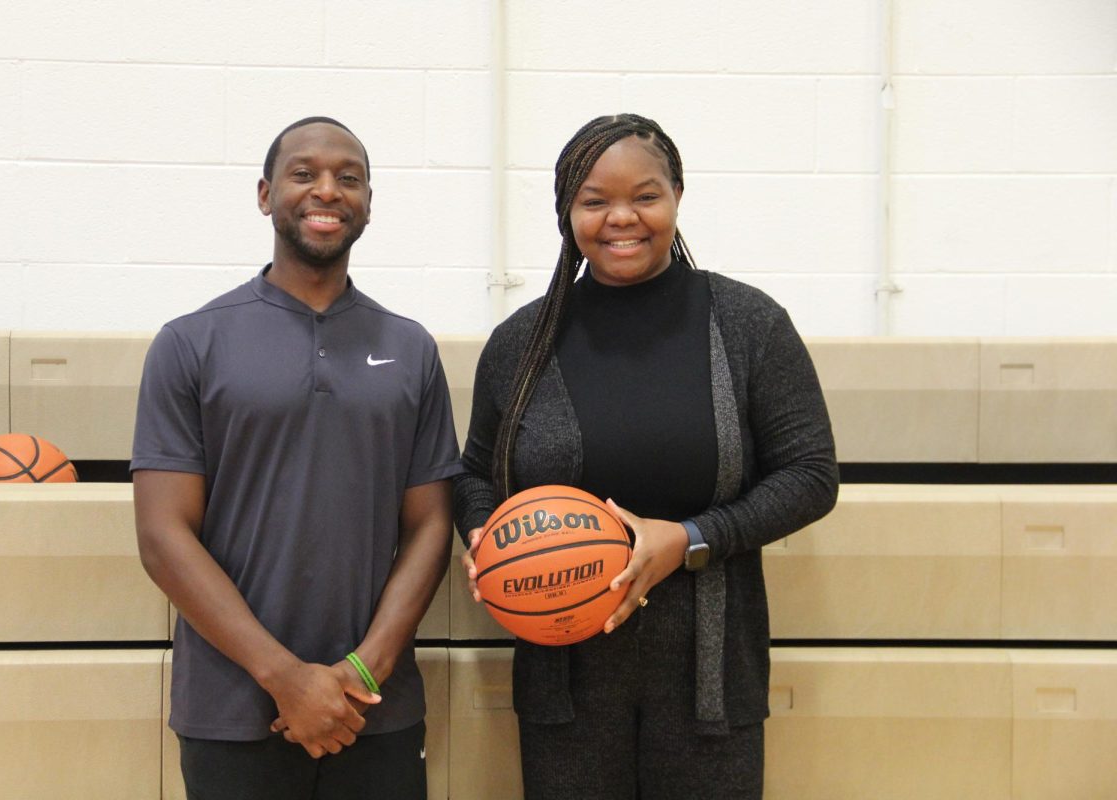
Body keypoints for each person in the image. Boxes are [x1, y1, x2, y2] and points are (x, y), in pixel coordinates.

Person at [454, 113, 838, 799]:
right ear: (567, 212)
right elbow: (478, 473)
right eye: (595, 200)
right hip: (563, 682)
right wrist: (486, 539)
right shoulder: (521, 343)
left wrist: (690, 540)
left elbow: (811, 474)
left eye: (646, 195)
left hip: (709, 680)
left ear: (678, 196)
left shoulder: (749, 325)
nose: (621, 218)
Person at [132, 116, 461, 799]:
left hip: (376, 709)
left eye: (349, 177)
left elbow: (430, 525)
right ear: (264, 194)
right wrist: (287, 678)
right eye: (304, 174)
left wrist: (363, 674)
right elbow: (164, 537)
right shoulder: (190, 343)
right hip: (233, 712)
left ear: (369, 202)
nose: (327, 191)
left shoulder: (411, 348)